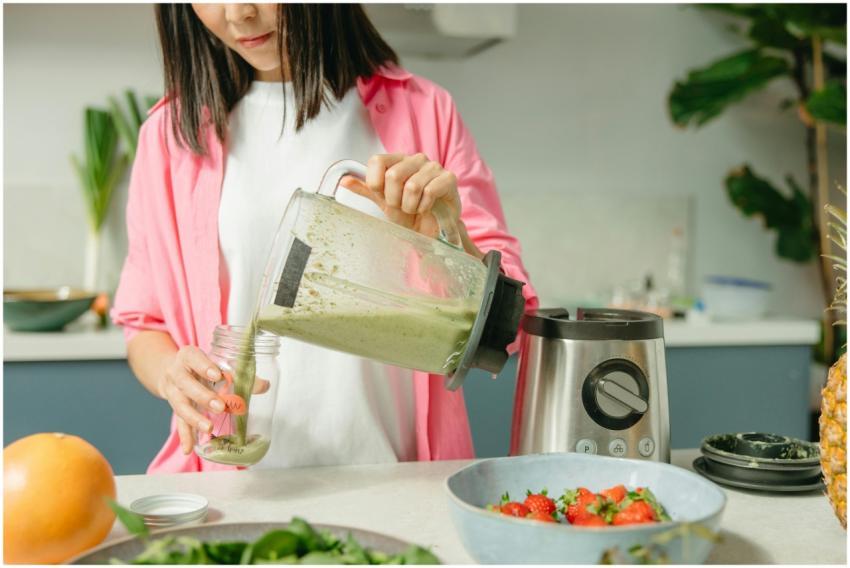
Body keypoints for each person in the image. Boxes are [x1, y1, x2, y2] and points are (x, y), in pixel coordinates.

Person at [111, 3, 538, 474]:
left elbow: (510, 329)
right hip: (230, 489)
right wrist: (172, 375)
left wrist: (444, 245)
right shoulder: (170, 135)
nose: (239, 13)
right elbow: (144, 324)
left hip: (397, 479)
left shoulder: (425, 112)